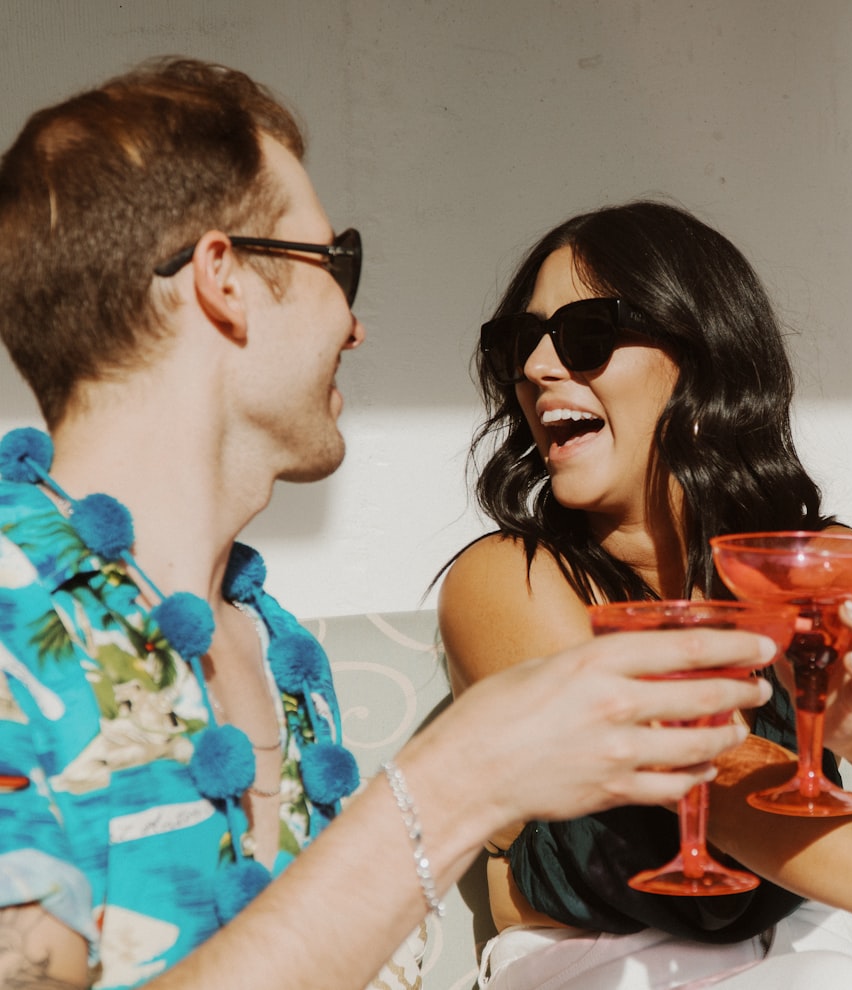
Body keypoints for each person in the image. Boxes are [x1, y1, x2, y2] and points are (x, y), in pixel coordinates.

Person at [0, 62, 786, 990]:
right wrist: (454, 785)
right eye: (336, 264)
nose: (356, 323)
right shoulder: (13, 615)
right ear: (224, 281)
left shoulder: (278, 649)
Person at [437, 200, 852, 988]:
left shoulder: (828, 563)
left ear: (700, 358)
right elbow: (703, 766)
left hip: (804, 938)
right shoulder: (508, 580)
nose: (535, 368)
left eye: (585, 336)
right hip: (588, 957)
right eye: (519, 342)